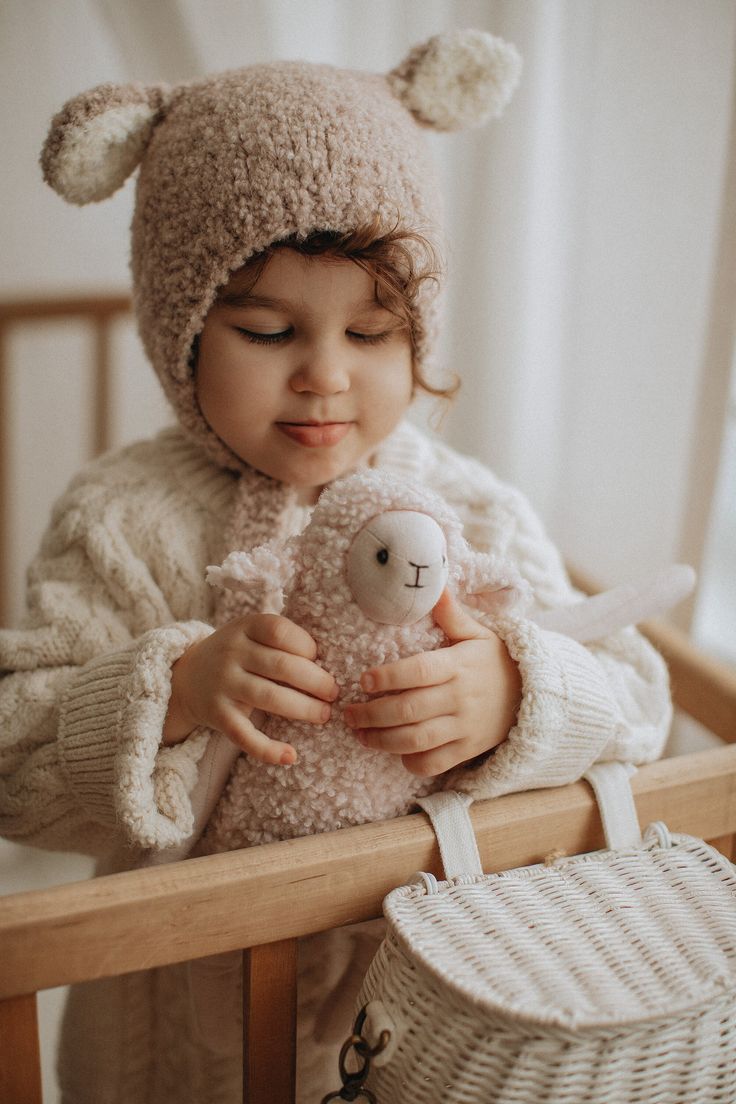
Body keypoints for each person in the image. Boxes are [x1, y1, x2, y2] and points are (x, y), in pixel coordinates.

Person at [0, 30, 671, 1103]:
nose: (324, 377)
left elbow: (640, 702)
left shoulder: (467, 506)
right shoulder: (123, 517)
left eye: (370, 331)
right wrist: (165, 693)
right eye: (268, 330)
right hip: (169, 1043)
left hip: (427, 1030)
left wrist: (518, 691)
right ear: (180, 335)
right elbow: (14, 761)